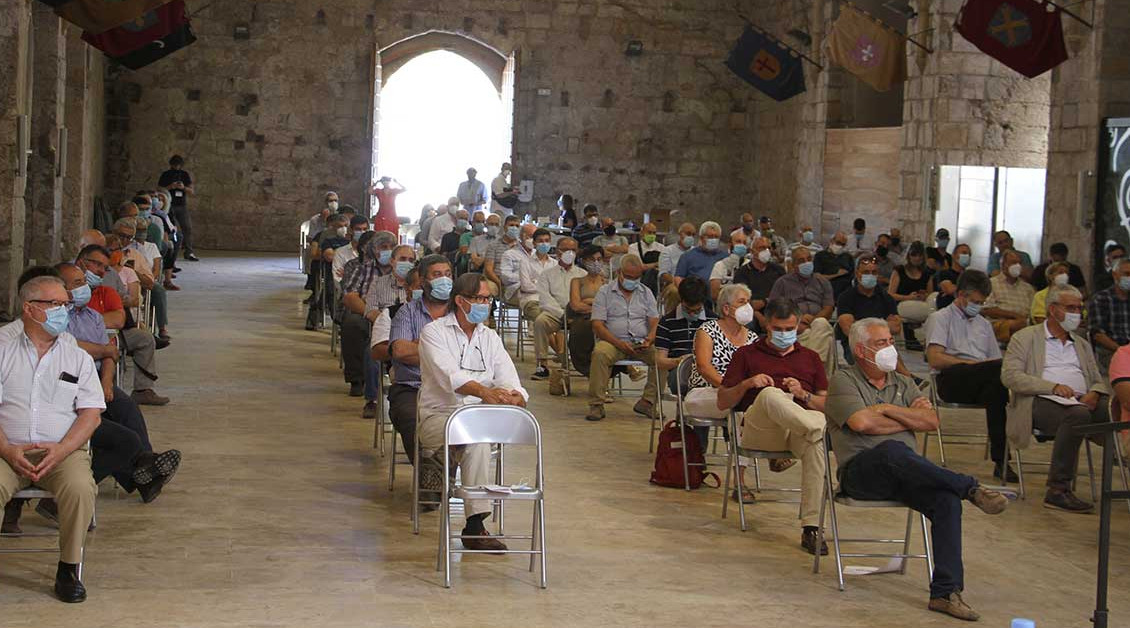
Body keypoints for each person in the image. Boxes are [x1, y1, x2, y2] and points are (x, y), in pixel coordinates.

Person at [826, 317, 1008, 622]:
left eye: (890, 342)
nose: (890, 349)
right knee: (892, 450)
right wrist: (907, 417)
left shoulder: (903, 382)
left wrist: (885, 409)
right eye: (880, 343)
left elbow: (932, 422)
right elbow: (861, 423)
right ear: (860, 350)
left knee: (945, 501)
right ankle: (969, 487)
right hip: (860, 474)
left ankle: (945, 592)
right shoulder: (844, 380)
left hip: (907, 474)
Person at [0, 275, 103, 602]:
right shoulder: (3, 351)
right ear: (30, 309)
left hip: (62, 452)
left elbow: (91, 414)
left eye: (66, 304)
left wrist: (61, 451)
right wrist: (6, 448)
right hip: (5, 450)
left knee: (80, 488)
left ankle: (69, 568)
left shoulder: (77, 358)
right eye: (56, 304)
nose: (64, 311)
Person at [418, 272, 528, 551]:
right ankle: (475, 524)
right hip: (439, 416)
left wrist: (515, 396)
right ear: (460, 300)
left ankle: (472, 519)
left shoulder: (489, 337)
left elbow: (508, 377)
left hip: (478, 419)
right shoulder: (434, 332)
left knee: (477, 438)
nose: (485, 304)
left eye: (488, 299)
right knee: (477, 440)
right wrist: (484, 392)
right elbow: (449, 377)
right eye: (478, 298)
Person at [716, 298, 829, 556]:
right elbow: (723, 401)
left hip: (798, 426)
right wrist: (748, 384)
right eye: (778, 329)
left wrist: (803, 394)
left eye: (789, 329)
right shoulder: (747, 354)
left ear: (798, 326)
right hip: (760, 429)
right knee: (771, 394)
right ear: (767, 325)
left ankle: (812, 526)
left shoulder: (810, 358)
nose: (784, 334)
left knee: (816, 445)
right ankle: (817, 429)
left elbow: (826, 404)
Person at [1002, 285, 1111, 512]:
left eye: (1079, 308)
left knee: (1115, 411)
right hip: (1039, 401)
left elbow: (1097, 377)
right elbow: (1011, 377)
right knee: (1077, 415)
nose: (1077, 313)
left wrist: (1096, 392)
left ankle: (1122, 476)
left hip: (1081, 400)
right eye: (1070, 307)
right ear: (1053, 310)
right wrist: (1052, 387)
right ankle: (1058, 490)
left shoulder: (1081, 343)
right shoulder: (1026, 337)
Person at [924, 270, 1014, 481]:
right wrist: (970, 364)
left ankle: (1001, 460)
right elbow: (935, 358)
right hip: (951, 378)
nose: (979, 306)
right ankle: (1003, 459)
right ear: (961, 295)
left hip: (982, 378)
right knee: (996, 375)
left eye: (982, 302)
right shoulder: (940, 318)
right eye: (975, 301)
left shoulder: (984, 325)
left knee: (997, 391)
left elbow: (994, 361)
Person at [75, 245, 167, 406]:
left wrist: (85, 323)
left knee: (143, 338)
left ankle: (142, 390)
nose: (101, 271)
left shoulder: (107, 290)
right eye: (97, 265)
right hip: (78, 341)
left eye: (105, 267)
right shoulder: (64, 287)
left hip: (110, 336)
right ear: (81, 263)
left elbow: (118, 319)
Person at [388, 255, 453, 466]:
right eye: (437, 275)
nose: (444, 279)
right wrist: (445, 353)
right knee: (410, 419)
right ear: (423, 281)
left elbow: (468, 355)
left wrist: (420, 346)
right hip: (412, 387)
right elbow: (400, 351)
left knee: (463, 425)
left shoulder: (460, 312)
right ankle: (432, 483)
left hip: (453, 389)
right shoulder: (407, 312)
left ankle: (440, 478)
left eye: (448, 274)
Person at [586, 254, 659, 422]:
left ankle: (648, 401)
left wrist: (649, 338)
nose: (632, 281)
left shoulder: (646, 293)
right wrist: (618, 343)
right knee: (600, 354)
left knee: (661, 357)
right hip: (612, 341)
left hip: (641, 342)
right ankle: (596, 404)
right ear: (619, 273)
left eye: (636, 277)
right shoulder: (604, 292)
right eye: (628, 277)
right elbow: (597, 325)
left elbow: (655, 321)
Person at [684, 283, 755, 451]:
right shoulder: (707, 330)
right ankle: (740, 470)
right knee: (740, 408)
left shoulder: (752, 337)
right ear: (726, 308)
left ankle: (740, 466)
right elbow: (704, 367)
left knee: (751, 407)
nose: (748, 307)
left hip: (738, 395)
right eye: (742, 302)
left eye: (749, 302)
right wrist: (731, 388)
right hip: (704, 392)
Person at [340, 231, 397, 396]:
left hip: (396, 314)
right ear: (374, 250)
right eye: (383, 247)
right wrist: (371, 313)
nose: (388, 250)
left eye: (391, 247)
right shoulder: (363, 269)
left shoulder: (403, 271)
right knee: (352, 324)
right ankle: (357, 379)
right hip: (367, 312)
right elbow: (350, 296)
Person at [767, 246, 836, 375]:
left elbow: (828, 308)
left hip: (817, 325)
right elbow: (773, 309)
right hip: (794, 328)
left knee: (821, 324)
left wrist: (813, 321)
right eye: (801, 260)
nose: (806, 263)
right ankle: (818, 372)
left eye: (809, 259)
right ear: (793, 265)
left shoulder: (823, 281)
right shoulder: (782, 283)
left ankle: (809, 368)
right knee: (824, 338)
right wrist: (797, 321)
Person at [834, 257, 906, 372]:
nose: (870, 275)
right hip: (855, 346)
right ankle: (908, 377)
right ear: (857, 274)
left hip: (882, 344)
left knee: (885, 351)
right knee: (883, 354)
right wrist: (882, 326)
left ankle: (905, 379)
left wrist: (860, 324)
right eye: (866, 272)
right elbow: (849, 329)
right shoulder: (846, 297)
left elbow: (896, 327)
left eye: (874, 272)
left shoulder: (886, 298)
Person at [655, 277, 716, 409]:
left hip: (707, 370)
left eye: (697, 310)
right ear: (681, 300)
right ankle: (689, 425)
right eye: (688, 309)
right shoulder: (667, 322)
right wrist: (678, 361)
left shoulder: (714, 321)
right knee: (694, 386)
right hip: (679, 371)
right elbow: (660, 361)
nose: (692, 313)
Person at [533, 237, 585, 379]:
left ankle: (583, 363)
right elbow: (545, 300)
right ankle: (542, 364)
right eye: (566, 249)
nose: (570, 253)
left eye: (573, 250)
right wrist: (563, 315)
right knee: (540, 322)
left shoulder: (582, 274)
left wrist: (573, 313)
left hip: (577, 314)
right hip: (555, 313)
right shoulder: (547, 274)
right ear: (558, 251)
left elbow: (585, 299)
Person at [567, 245, 608, 377]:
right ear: (584, 261)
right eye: (592, 259)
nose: (596, 262)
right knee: (586, 328)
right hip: (582, 319)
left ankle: (622, 365)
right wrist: (598, 306)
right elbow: (576, 305)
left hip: (604, 319)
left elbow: (612, 306)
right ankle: (587, 366)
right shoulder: (577, 281)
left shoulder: (606, 283)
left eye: (599, 259)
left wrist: (590, 301)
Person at [732, 236, 786, 331]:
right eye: (762, 248)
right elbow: (744, 302)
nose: (766, 251)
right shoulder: (742, 273)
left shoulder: (778, 270)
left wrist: (764, 302)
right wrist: (760, 317)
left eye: (768, 248)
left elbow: (784, 295)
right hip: (752, 314)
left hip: (777, 311)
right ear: (752, 251)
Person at [983, 249, 1036, 343]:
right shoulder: (991, 283)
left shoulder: (1028, 288)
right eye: (1013, 263)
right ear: (1003, 265)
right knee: (1013, 325)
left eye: (1019, 263)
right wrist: (1015, 316)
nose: (1017, 266)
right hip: (999, 325)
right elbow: (987, 309)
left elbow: (1033, 312)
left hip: (1025, 325)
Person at [1088, 257, 1130, 369]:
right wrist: (1122, 351)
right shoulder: (1101, 298)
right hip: (1110, 351)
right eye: (1127, 274)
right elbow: (1098, 334)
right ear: (1115, 275)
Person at [502, 225, 555, 314]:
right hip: (516, 290)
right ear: (521, 236)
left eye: (546, 241)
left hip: (543, 294)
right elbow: (505, 277)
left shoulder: (545, 257)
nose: (543, 243)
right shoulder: (509, 254)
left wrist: (533, 281)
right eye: (530, 236)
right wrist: (524, 278)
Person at [157, 154, 197, 261]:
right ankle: (172, 252)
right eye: (175, 165)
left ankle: (189, 251)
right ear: (171, 164)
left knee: (187, 228)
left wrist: (183, 187)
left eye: (179, 165)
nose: (177, 167)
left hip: (182, 205)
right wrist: (171, 187)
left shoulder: (184, 175)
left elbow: (191, 191)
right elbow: (159, 189)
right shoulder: (166, 175)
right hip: (169, 205)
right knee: (171, 229)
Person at [888, 241, 934, 328]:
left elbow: (930, 295)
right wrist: (908, 297)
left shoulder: (927, 274)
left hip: (921, 305)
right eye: (914, 255)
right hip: (902, 305)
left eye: (920, 255)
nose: (917, 258)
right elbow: (890, 294)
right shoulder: (899, 270)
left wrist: (924, 296)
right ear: (909, 256)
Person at [658, 222, 697, 312]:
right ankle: (672, 318)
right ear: (680, 234)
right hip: (674, 284)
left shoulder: (696, 252)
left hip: (694, 284)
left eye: (693, 235)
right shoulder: (667, 251)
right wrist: (681, 284)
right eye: (688, 234)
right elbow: (664, 274)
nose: (690, 237)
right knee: (675, 292)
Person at [483, 215, 521, 297]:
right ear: (504, 227)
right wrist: (499, 283)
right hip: (497, 280)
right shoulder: (493, 245)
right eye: (511, 225)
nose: (514, 228)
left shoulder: (522, 247)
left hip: (518, 282)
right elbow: (488, 269)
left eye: (517, 226)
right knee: (488, 288)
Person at [708, 230, 749, 299]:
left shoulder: (749, 265)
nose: (742, 245)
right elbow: (714, 295)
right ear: (730, 245)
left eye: (744, 243)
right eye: (738, 242)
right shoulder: (719, 265)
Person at [932, 242, 972, 311]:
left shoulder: (971, 276)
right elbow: (949, 289)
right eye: (964, 253)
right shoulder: (944, 273)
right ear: (953, 255)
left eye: (969, 254)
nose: (967, 256)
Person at [814, 231, 854, 298]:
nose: (840, 246)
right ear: (832, 241)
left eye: (843, 244)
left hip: (845, 292)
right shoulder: (820, 256)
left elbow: (852, 275)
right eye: (838, 243)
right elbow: (817, 277)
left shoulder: (848, 257)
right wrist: (837, 274)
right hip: (826, 290)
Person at [333, 216, 369, 283]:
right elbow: (337, 278)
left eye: (365, 229)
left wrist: (348, 275)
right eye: (358, 229)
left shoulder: (373, 252)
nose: (362, 232)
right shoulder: (340, 252)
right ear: (351, 230)